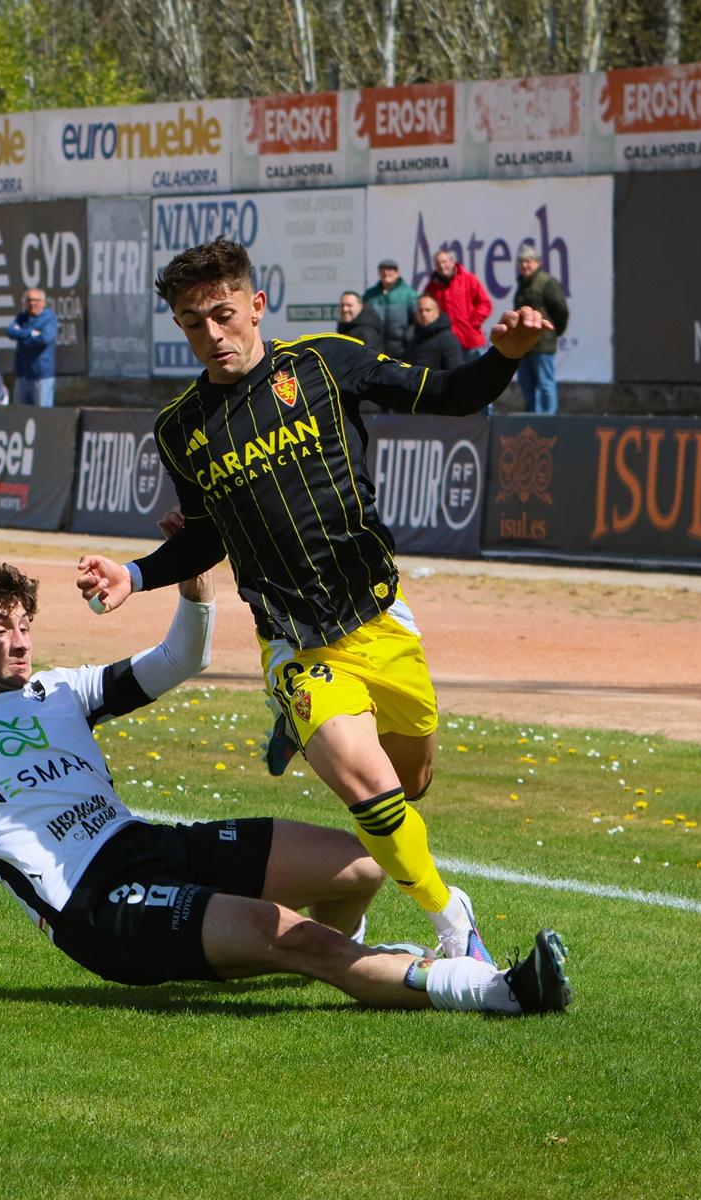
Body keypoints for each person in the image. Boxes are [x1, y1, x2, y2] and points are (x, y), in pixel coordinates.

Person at [0, 557, 571, 1017]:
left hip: (149, 845)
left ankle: (350, 959)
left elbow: (179, 658)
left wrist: (193, 588)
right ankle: (495, 990)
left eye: (24, 621)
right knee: (294, 938)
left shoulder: (61, 690)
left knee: (361, 864)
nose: (20, 637)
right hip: (99, 906)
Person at [76, 237, 556, 966]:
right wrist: (135, 575)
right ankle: (454, 924)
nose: (211, 335)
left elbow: (449, 395)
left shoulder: (326, 362)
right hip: (294, 641)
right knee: (370, 786)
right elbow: (205, 534)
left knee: (410, 783)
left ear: (257, 305)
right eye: (192, 323)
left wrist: (506, 356)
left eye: (223, 314)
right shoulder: (181, 428)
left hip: (380, 618)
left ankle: (307, 747)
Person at [512, 247, 570, 415]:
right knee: (526, 384)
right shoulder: (522, 283)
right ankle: (532, 417)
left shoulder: (546, 282)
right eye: (521, 262)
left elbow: (561, 310)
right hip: (524, 345)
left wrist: (553, 332)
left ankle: (547, 418)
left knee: (545, 384)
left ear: (537, 262)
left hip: (542, 343)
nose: (524, 265)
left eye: (528, 261)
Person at [424, 249, 492, 360]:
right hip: (447, 345)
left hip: (471, 342)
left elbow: (485, 304)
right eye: (438, 263)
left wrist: (472, 324)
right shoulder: (431, 288)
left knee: (478, 371)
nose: (441, 266)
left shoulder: (469, 280)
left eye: (444, 262)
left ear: (452, 262)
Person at [7, 288, 58, 407]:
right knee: (20, 413)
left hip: (41, 377)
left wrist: (21, 335)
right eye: (29, 300)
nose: (32, 303)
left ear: (43, 303)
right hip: (22, 375)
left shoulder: (49, 319)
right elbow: (10, 331)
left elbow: (44, 338)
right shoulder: (22, 317)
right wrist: (30, 333)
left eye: (35, 300)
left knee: (41, 414)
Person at [360, 259, 417, 358]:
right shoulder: (370, 295)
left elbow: (416, 321)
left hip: (402, 353)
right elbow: (362, 319)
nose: (386, 273)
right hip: (375, 353)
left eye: (390, 270)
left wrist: (408, 337)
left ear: (397, 273)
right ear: (378, 273)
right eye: (383, 270)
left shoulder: (409, 294)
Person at [402, 295, 465, 370]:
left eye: (428, 310)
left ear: (437, 312)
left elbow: (454, 372)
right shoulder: (411, 337)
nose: (424, 314)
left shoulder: (448, 340)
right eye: (420, 310)